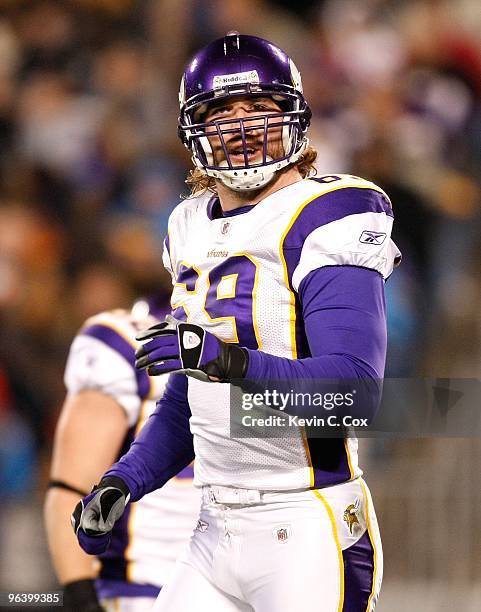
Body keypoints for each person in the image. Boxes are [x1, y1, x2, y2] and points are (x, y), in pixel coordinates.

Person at [68, 33, 401, 611]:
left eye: (258, 109)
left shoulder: (333, 212)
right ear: (192, 131)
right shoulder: (188, 226)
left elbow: (354, 393)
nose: (241, 126)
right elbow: (188, 400)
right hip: (213, 528)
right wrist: (125, 480)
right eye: (221, 112)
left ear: (293, 117)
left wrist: (225, 360)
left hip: (305, 523)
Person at [44, 298, 201, 611]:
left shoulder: (290, 351)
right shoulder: (131, 338)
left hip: (253, 581)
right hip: (147, 590)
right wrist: (81, 593)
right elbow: (72, 488)